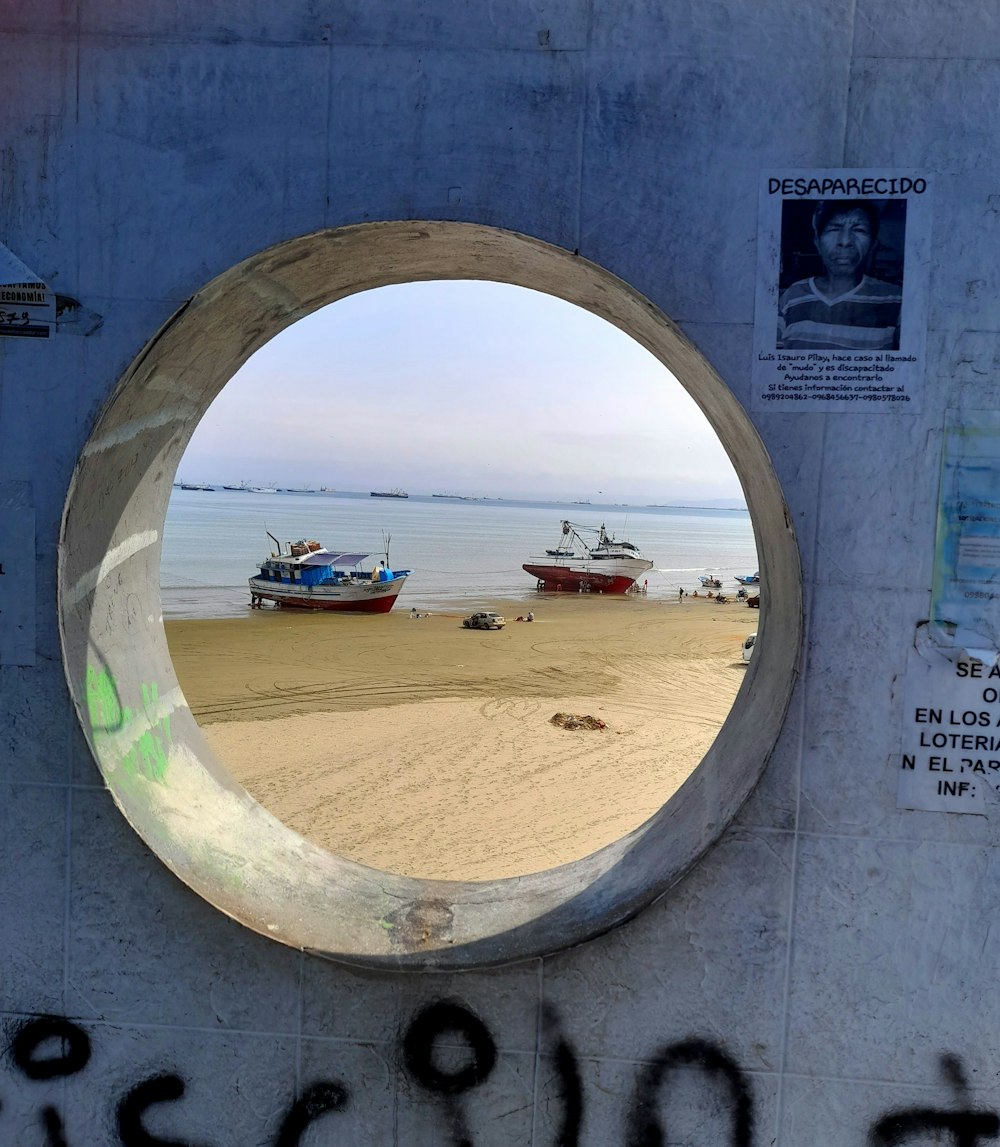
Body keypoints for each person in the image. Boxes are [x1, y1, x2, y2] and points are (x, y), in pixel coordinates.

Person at [777, 200, 901, 351]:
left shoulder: (895, 300)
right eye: (834, 229)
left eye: (859, 230)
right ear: (817, 242)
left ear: (873, 244)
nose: (845, 241)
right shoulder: (792, 297)